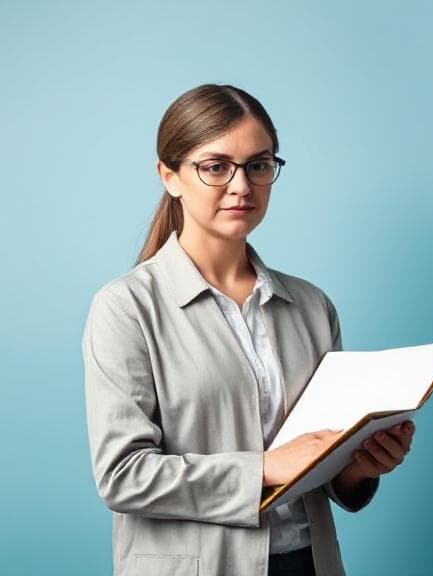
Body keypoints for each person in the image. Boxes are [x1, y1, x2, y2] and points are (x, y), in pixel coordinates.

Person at [83, 84, 414, 576]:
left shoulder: (311, 306)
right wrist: (263, 466)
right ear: (169, 176)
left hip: (309, 562)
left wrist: (360, 467)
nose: (241, 185)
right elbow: (122, 476)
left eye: (258, 165)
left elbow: (322, 471)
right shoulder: (126, 307)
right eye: (216, 166)